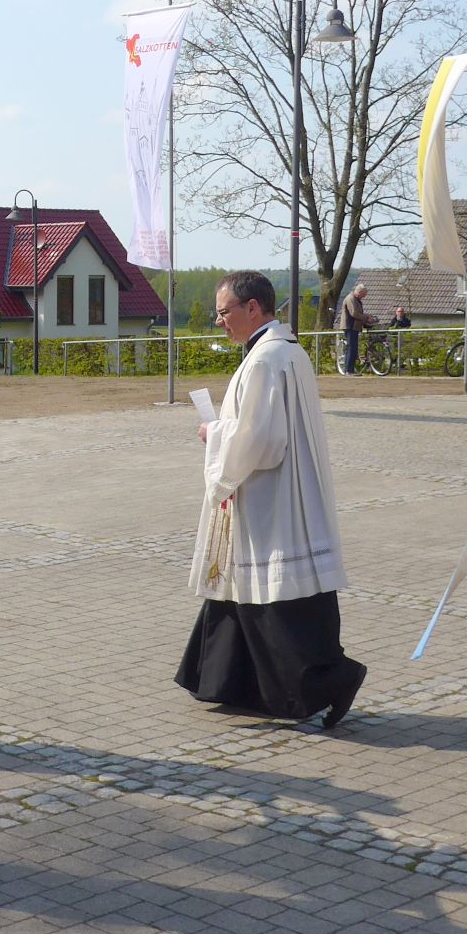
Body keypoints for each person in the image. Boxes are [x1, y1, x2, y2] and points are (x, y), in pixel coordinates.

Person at [176, 270, 366, 727]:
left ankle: (331, 680)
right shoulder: (288, 351)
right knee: (245, 591)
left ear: (252, 308)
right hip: (292, 489)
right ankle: (229, 682)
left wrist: (214, 434)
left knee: (271, 598)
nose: (219, 321)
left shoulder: (264, 361)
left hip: (270, 496)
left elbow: (260, 441)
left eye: (223, 312)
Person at [338, 282, 376, 374]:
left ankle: (351, 369)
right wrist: (366, 317)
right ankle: (348, 370)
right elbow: (354, 313)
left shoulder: (356, 299)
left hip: (354, 327)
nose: (364, 297)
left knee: (354, 348)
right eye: (363, 295)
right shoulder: (350, 299)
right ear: (359, 292)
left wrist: (366, 316)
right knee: (351, 348)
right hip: (350, 326)